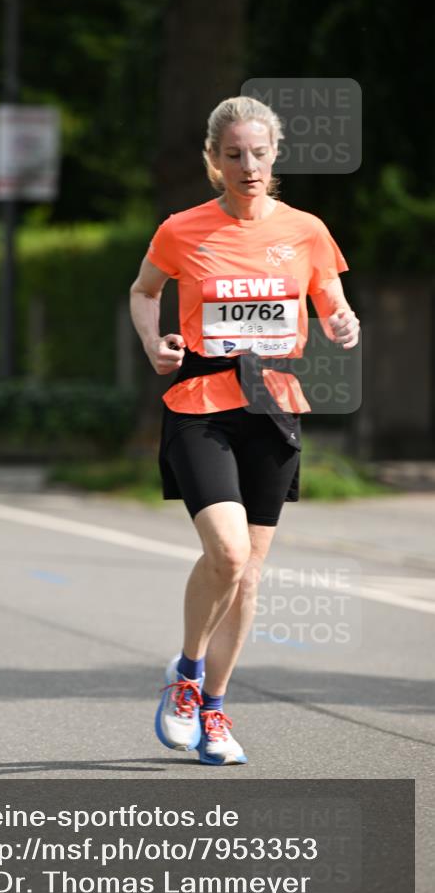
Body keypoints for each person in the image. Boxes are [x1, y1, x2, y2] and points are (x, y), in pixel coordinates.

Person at [129, 95, 360, 766]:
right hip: (200, 400)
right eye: (233, 154)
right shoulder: (181, 230)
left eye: (258, 153)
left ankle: (215, 713)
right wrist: (153, 344)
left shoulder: (306, 230)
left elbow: (334, 305)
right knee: (227, 555)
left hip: (272, 404)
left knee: (250, 576)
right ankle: (187, 675)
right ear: (214, 160)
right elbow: (144, 292)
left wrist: (343, 325)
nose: (247, 165)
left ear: (274, 155)